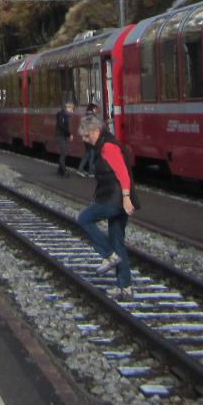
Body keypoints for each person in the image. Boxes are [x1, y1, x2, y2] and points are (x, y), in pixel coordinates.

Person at [76, 114, 136, 296]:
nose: (86, 140)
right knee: (118, 240)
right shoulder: (104, 144)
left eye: (87, 136)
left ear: (96, 130)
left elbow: (123, 173)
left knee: (84, 218)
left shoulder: (108, 147)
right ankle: (124, 286)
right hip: (115, 198)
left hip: (114, 199)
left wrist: (126, 197)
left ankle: (108, 255)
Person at [55, 101, 77, 176]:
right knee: (64, 152)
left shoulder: (64, 115)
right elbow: (62, 126)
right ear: (68, 108)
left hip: (62, 135)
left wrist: (68, 134)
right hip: (60, 135)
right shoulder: (61, 114)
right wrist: (69, 134)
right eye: (72, 109)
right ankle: (64, 171)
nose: (72, 111)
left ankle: (59, 170)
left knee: (64, 152)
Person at [79, 101, 98, 175]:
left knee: (87, 153)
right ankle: (90, 171)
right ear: (93, 109)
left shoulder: (86, 115)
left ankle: (81, 170)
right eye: (95, 109)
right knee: (91, 154)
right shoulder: (92, 116)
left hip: (85, 137)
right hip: (90, 137)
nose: (96, 110)